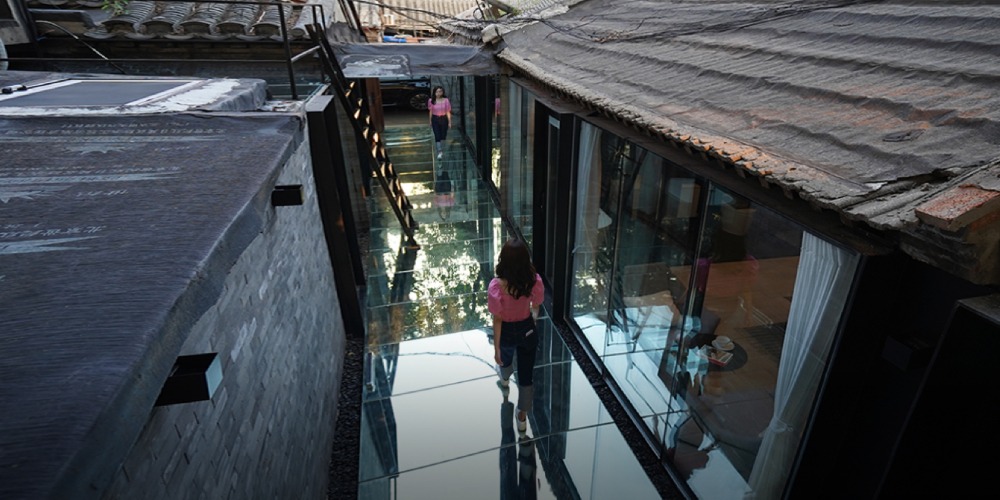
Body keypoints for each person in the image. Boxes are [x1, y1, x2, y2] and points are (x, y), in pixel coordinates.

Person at [489, 238, 544, 434]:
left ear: (503, 259)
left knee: (504, 358)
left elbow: (497, 319)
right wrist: (532, 321)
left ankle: (505, 380)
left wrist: (496, 348)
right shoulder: (533, 281)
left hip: (506, 331)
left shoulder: (496, 286)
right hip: (527, 329)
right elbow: (536, 306)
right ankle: (522, 418)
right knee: (527, 376)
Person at [427, 85, 452, 160]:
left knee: (443, 135)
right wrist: (430, 121)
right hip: (435, 119)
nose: (438, 93)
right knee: (437, 135)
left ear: (442, 92)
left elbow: (448, 111)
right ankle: (439, 151)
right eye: (437, 92)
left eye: (440, 91)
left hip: (444, 119)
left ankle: (442, 148)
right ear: (434, 92)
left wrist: (449, 122)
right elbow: (430, 111)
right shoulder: (431, 100)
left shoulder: (446, 100)